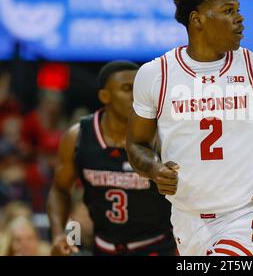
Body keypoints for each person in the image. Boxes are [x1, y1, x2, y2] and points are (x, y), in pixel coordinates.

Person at [127, 0, 253, 256]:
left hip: (245, 212)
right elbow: (136, 144)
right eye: (229, 11)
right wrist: (154, 170)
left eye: (239, 10)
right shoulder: (157, 75)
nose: (240, 18)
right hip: (186, 216)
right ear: (198, 19)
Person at [47, 62, 175, 256]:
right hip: (103, 247)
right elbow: (60, 190)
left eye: (138, 89)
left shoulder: (160, 135)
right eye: (126, 89)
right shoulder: (78, 136)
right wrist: (59, 235)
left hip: (155, 246)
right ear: (104, 96)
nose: (135, 95)